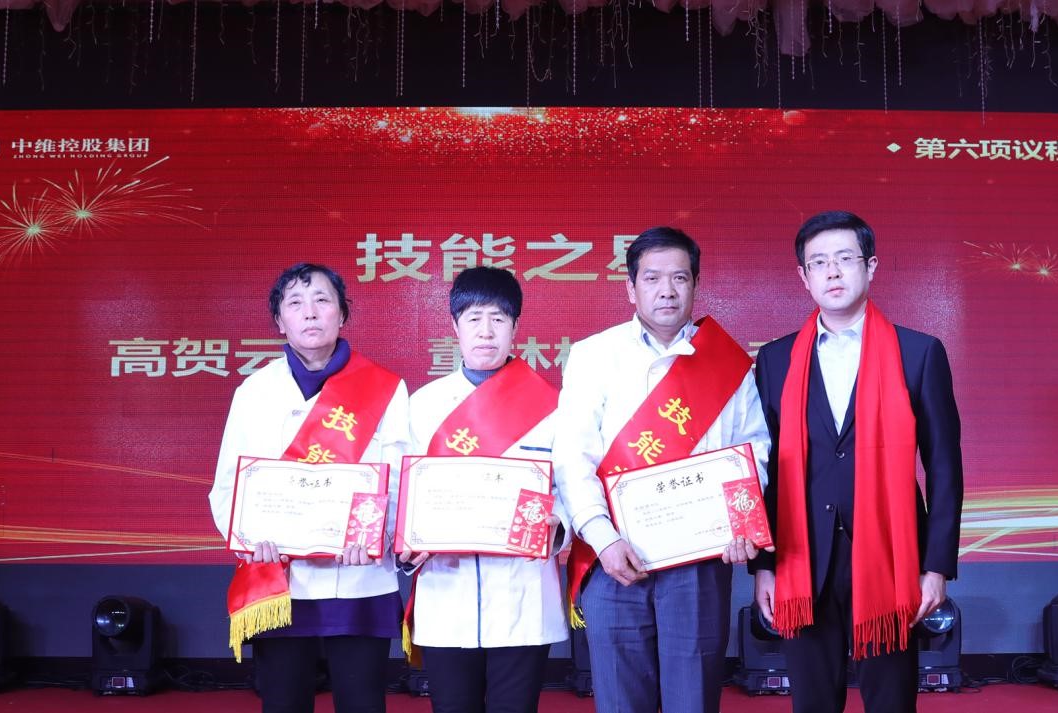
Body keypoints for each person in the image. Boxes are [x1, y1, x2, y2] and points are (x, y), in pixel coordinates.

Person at [750, 211, 964, 713]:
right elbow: (763, 470)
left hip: (891, 557)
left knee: (891, 702)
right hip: (801, 558)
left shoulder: (919, 353)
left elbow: (944, 466)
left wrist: (936, 566)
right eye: (818, 262)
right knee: (812, 703)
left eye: (845, 259)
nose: (832, 272)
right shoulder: (776, 360)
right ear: (803, 276)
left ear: (871, 267)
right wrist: (763, 566)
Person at [553, 227, 771, 713]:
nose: (666, 290)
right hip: (615, 560)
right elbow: (572, 457)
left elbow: (755, 450)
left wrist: (740, 522)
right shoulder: (594, 355)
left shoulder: (728, 363)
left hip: (699, 562)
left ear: (695, 284)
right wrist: (603, 539)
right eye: (652, 278)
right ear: (631, 288)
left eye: (679, 278)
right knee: (621, 701)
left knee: (693, 699)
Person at [209, 263, 409, 713]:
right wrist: (249, 541)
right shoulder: (254, 392)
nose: (310, 312)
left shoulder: (385, 388)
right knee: (283, 702)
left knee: (362, 703)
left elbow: (399, 480)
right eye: (295, 303)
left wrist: (374, 536)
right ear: (280, 321)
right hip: (279, 577)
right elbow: (228, 485)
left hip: (358, 576)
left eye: (322, 300)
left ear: (342, 313)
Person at [406, 266, 568, 713]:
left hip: (522, 598)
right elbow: (402, 493)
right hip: (447, 593)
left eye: (498, 318)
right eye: (474, 318)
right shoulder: (423, 406)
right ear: (454, 325)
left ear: (515, 327)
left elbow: (572, 488)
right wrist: (406, 540)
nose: (486, 331)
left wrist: (558, 526)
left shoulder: (553, 408)